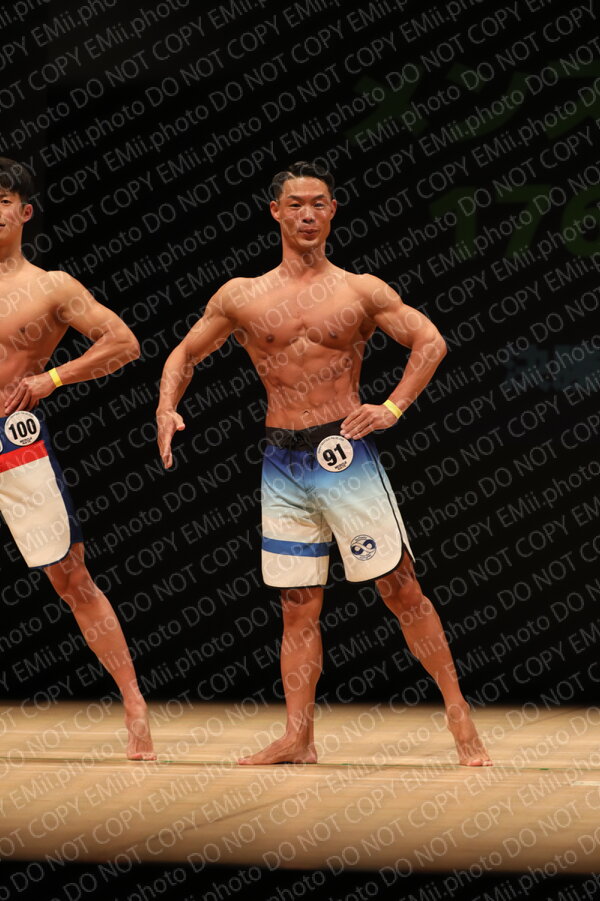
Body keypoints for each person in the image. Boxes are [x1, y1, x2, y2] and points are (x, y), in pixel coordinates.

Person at [157, 160, 491, 767]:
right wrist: (166, 407)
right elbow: (183, 354)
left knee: (399, 585)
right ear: (275, 213)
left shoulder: (359, 290)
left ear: (333, 211)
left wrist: (391, 407)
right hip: (281, 461)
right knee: (296, 603)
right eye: (295, 204)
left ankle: (459, 716)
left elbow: (430, 341)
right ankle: (299, 737)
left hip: (344, 454)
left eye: (318, 203)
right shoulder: (241, 295)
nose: (307, 214)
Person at [0, 157, 155, 760]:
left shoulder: (52, 287)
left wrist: (53, 378)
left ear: (24, 212)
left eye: (3, 201)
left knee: (71, 576)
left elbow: (124, 343)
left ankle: (134, 704)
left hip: (14, 439)